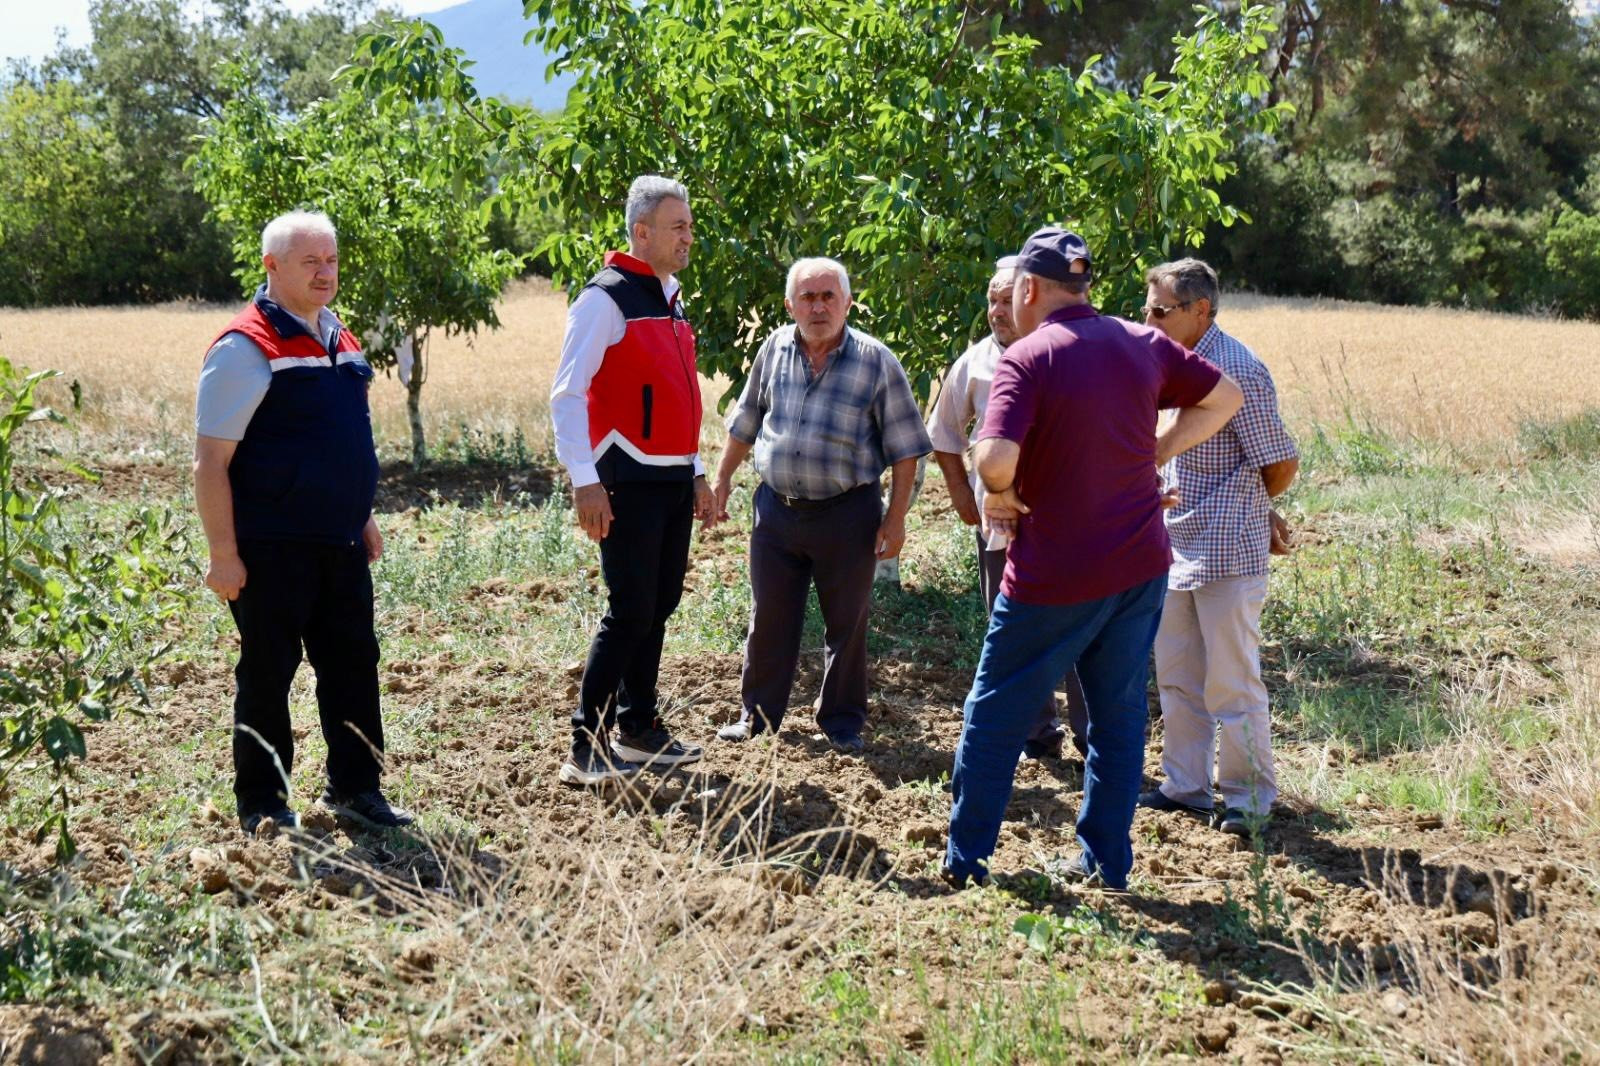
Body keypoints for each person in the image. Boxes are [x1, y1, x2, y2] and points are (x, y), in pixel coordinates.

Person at [942, 227, 1243, 891]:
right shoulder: (1141, 343)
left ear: (1026, 288)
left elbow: (993, 458)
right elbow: (1224, 398)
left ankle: (966, 863)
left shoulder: (1029, 357)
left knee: (994, 712)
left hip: (1054, 574)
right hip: (1138, 566)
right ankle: (1108, 863)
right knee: (1117, 716)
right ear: (1083, 285)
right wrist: (1158, 452)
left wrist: (1004, 491)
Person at [194, 209, 412, 835]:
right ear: (271, 266)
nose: (325, 272)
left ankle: (356, 788)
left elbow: (338, 440)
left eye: (332, 260)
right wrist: (222, 553)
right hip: (270, 547)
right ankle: (263, 804)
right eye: (309, 261)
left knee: (353, 663)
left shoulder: (336, 336)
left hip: (339, 541)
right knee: (268, 672)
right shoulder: (244, 347)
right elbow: (210, 461)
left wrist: (362, 514)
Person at [711, 257, 933, 753]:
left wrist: (895, 521)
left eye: (828, 296)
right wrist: (723, 477)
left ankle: (842, 721)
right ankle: (758, 718)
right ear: (790, 305)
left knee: (847, 622)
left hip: (847, 513)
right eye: (807, 297)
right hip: (776, 510)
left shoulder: (876, 361)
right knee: (769, 617)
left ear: (848, 302)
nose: (818, 307)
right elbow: (746, 419)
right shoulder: (773, 349)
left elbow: (905, 450)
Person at [549, 175, 715, 786]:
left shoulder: (668, 296)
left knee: (660, 605)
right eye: (678, 227)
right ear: (641, 232)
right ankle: (585, 746)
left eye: (689, 226)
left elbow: (681, 401)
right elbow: (566, 395)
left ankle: (639, 729)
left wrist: (696, 474)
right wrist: (584, 481)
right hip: (624, 479)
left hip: (671, 480)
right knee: (630, 611)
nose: (688, 237)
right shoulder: (604, 299)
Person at [1136, 258, 1299, 837]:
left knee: (1232, 680)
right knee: (1178, 676)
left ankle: (1249, 800)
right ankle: (1184, 788)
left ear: (1200, 311)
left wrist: (1254, 506)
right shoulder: (1166, 363)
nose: (1147, 319)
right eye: (1146, 307)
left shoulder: (1238, 369)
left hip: (1228, 545)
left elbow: (1279, 462)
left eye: (1160, 310)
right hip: (1174, 546)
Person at [927, 256, 1087, 761]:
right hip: (998, 525)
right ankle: (1036, 733)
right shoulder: (973, 362)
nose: (997, 309)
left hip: (1068, 521)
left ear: (1030, 296)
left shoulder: (1071, 354)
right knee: (1015, 628)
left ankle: (1092, 736)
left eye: (1006, 299)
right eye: (991, 300)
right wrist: (960, 493)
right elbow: (945, 433)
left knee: (1079, 630)